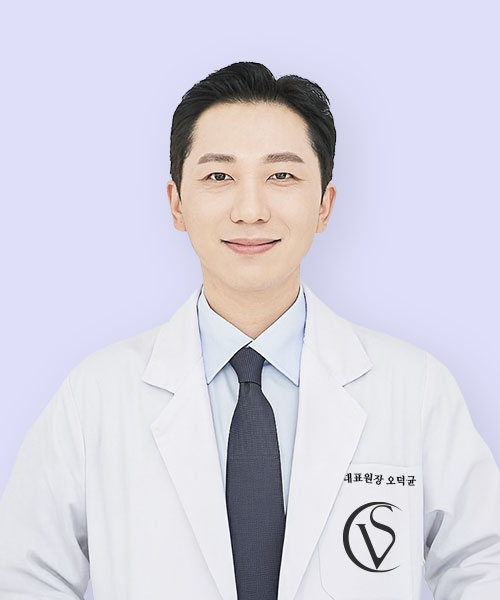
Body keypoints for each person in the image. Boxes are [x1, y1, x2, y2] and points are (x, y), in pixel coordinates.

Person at [0, 61, 499, 600]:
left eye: (281, 176)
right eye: (219, 177)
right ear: (177, 204)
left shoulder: (415, 389)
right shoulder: (95, 396)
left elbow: (483, 563)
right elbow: (25, 575)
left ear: (324, 205)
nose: (251, 209)